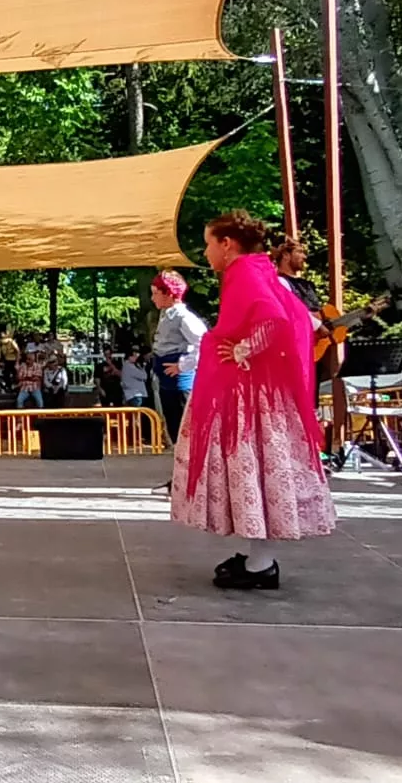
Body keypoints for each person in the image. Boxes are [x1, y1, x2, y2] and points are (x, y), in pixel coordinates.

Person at [169, 212, 336, 590]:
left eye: (209, 243)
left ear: (227, 244)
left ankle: (261, 562)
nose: (206, 251)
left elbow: (274, 320)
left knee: (251, 470)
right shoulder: (261, 269)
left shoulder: (244, 271)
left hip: (249, 397)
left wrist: (243, 350)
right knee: (259, 473)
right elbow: (301, 319)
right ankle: (258, 556)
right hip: (261, 395)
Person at [151, 270, 207, 445]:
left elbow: (203, 343)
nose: (153, 299)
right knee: (174, 426)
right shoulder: (166, 315)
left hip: (180, 383)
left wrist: (182, 365)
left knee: (185, 428)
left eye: (155, 294)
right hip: (167, 381)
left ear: (168, 294)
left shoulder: (183, 317)